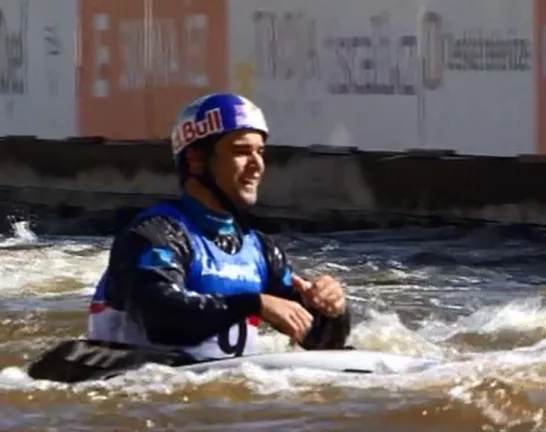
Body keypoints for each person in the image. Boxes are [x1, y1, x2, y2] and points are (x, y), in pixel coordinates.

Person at [87, 92, 351, 362]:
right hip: (145, 390)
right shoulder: (154, 234)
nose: (257, 165)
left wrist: (332, 311)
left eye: (260, 152)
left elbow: (320, 342)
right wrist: (252, 303)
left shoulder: (261, 249)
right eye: (240, 151)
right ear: (196, 160)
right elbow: (158, 316)